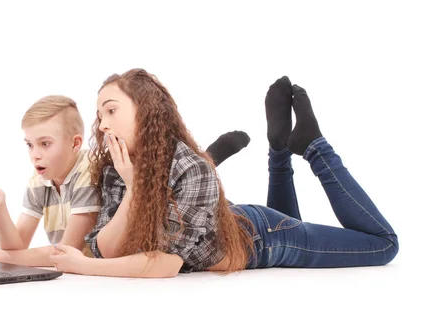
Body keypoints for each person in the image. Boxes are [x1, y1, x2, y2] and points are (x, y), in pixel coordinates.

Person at [50, 70, 399, 278]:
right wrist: (131, 187)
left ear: (145, 112)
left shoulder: (189, 167)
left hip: (263, 238)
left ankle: (313, 145)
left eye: (111, 110)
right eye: (99, 115)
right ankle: (278, 150)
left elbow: (165, 265)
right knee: (286, 216)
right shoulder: (117, 167)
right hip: (221, 222)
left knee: (385, 245)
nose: (103, 124)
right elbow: (108, 251)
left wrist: (83, 266)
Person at [0, 95, 249, 266]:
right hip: (134, 220)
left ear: (75, 143)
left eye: (45, 144)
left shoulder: (86, 175)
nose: (35, 155)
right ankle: (211, 158)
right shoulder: (39, 180)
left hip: (142, 217)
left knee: (195, 197)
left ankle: (210, 158)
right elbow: (18, 244)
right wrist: (1, 211)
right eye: (29, 145)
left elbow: (65, 250)